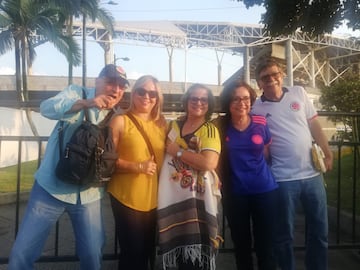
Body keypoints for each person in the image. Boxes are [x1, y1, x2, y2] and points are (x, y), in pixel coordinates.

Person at [8, 64, 129, 270]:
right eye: (110, 82)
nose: (116, 89)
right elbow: (47, 108)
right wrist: (86, 103)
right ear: (97, 81)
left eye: (121, 86)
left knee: (92, 254)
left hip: (89, 195)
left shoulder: (119, 116)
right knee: (22, 253)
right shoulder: (77, 92)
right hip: (49, 190)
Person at [251, 57, 333, 270]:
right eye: (265, 77)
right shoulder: (256, 109)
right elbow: (259, 142)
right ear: (259, 83)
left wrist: (327, 152)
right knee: (283, 235)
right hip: (283, 179)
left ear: (282, 75)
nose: (271, 80)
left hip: (313, 175)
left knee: (320, 231)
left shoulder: (299, 93)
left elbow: (314, 124)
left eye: (275, 74)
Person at [157, 83, 222, 270]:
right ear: (186, 101)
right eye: (194, 98)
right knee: (177, 253)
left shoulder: (209, 129)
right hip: (173, 196)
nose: (198, 102)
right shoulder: (174, 126)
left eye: (203, 99)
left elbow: (209, 163)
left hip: (197, 199)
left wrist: (177, 152)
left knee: (196, 256)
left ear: (208, 104)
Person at [214, 80, 278, 270]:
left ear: (251, 100)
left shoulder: (260, 121)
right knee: (241, 246)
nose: (242, 103)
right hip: (235, 194)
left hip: (265, 191)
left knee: (265, 245)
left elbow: (266, 151)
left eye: (246, 98)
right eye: (236, 99)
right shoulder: (219, 126)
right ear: (228, 102)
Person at [107, 75, 166, 270]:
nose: (147, 96)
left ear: (158, 98)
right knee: (132, 253)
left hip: (153, 198)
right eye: (142, 91)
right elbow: (106, 160)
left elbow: (175, 154)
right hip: (126, 197)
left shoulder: (162, 124)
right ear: (134, 93)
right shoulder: (120, 121)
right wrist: (137, 167)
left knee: (148, 250)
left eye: (152, 93)